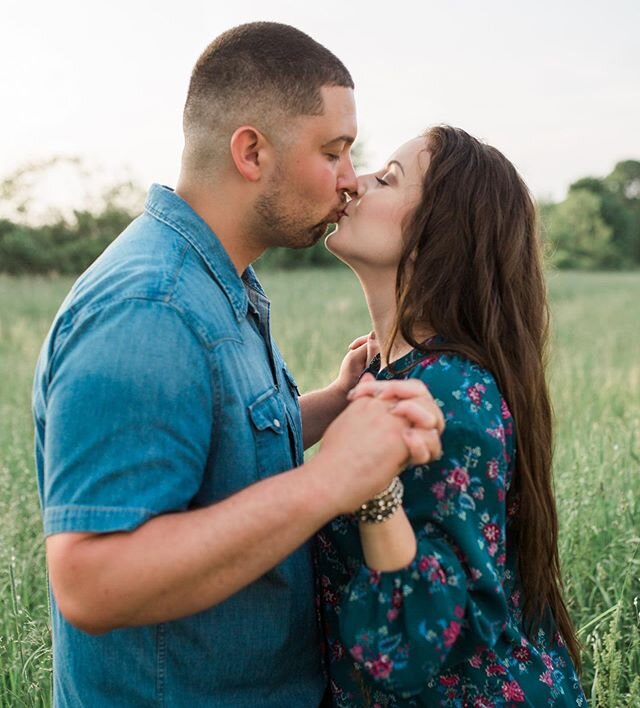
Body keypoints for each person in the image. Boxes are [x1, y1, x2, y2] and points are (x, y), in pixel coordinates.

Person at [32, 23, 444, 707]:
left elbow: (219, 450)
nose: (350, 180)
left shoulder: (216, 282)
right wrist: (333, 481)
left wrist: (331, 406)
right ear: (251, 151)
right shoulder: (152, 309)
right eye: (334, 152)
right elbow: (91, 581)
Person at [319, 126, 587, 705]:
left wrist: (373, 491)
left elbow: (420, 636)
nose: (352, 181)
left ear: (435, 235)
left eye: (386, 178)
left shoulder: (448, 395)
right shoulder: (390, 378)